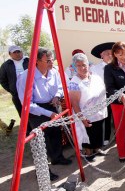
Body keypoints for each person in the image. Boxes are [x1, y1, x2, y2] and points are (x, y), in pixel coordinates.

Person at [17, 48, 71, 180]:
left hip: (52, 105)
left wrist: (57, 97)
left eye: (52, 59)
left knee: (55, 134)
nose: (51, 62)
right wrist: (47, 113)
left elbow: (60, 86)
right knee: (41, 141)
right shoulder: (26, 77)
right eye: (48, 60)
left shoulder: (54, 71)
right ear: (37, 61)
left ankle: (57, 158)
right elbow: (27, 104)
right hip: (36, 110)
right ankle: (42, 172)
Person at [68, 53, 107, 161]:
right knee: (87, 133)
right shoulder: (74, 83)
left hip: (99, 112)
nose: (82, 68)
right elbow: (75, 103)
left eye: (84, 65)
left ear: (88, 64)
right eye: (79, 66)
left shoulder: (95, 77)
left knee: (98, 131)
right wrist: (82, 118)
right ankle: (88, 152)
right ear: (75, 67)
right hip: (85, 114)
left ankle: (97, 148)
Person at [90, 42, 114, 146]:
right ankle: (106, 137)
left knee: (118, 117)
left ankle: (118, 135)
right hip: (103, 96)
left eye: (111, 53)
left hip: (117, 94)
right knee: (106, 117)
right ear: (101, 55)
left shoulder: (117, 66)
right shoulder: (95, 68)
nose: (110, 55)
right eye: (107, 53)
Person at [0, 45, 29, 118]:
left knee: (35, 113)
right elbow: (3, 80)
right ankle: (27, 129)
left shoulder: (29, 61)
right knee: (22, 114)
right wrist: (12, 90)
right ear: (10, 54)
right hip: (17, 95)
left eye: (18, 51)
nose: (17, 54)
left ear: (21, 52)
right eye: (14, 52)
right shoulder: (6, 65)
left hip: (32, 92)